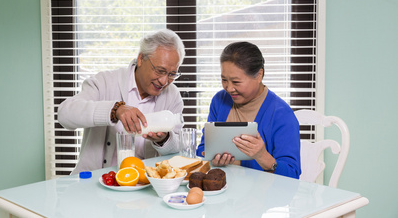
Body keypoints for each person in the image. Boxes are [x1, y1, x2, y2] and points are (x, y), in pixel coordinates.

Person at [58, 29, 185, 174]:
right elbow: (65, 114)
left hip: (143, 184)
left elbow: (176, 148)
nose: (164, 81)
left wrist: (164, 139)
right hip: (95, 183)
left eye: (172, 74)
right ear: (141, 59)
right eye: (160, 71)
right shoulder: (105, 82)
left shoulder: (172, 95)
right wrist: (114, 110)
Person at [196, 42, 301, 179]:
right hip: (223, 191)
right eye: (224, 80)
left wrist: (262, 156)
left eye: (236, 82)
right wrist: (212, 158)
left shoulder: (281, 114)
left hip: (264, 197)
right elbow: (202, 150)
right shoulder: (219, 101)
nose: (229, 88)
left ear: (258, 75)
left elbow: (292, 174)